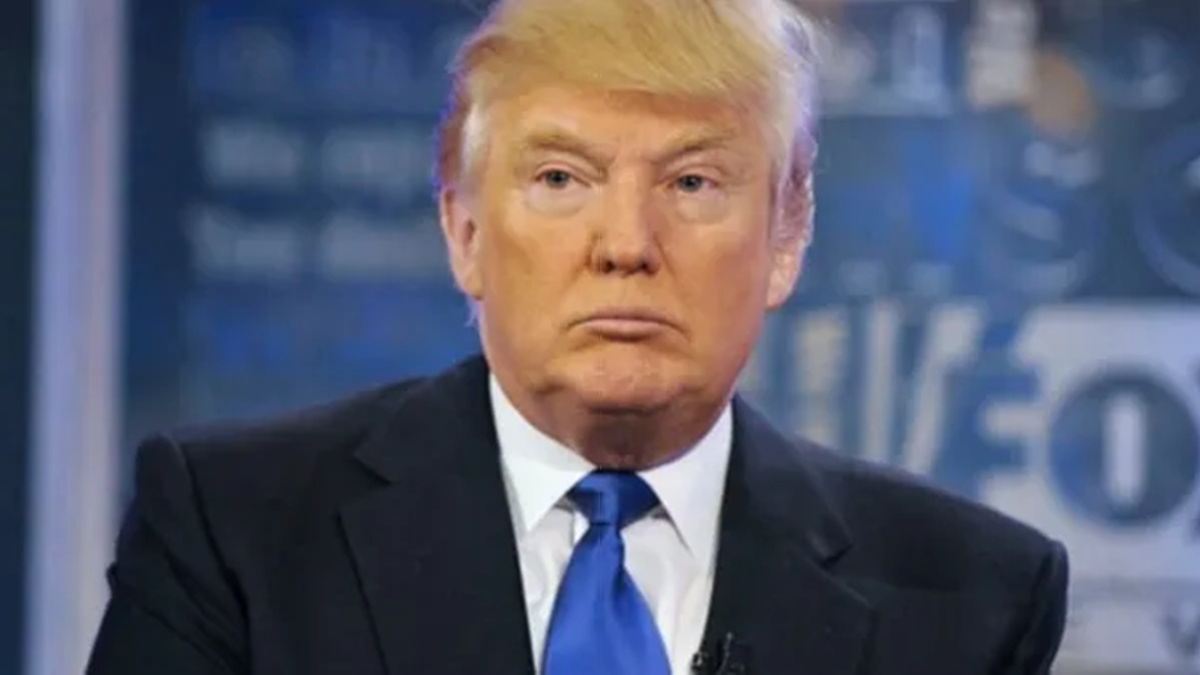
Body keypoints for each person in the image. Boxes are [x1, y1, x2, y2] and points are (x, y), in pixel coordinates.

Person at [87, 0, 1069, 673]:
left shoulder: (970, 600)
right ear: (464, 231)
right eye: (561, 178)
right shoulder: (236, 534)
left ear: (787, 236)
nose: (626, 244)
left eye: (692, 182)